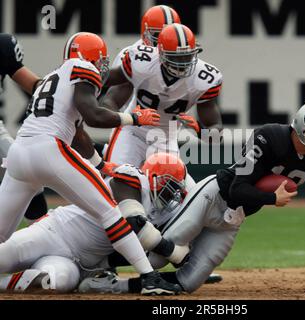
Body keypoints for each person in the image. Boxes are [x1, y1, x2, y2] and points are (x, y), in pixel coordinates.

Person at [79, 101, 305, 294]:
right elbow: (238, 189)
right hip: (213, 196)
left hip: (234, 219)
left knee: (188, 283)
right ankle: (95, 266)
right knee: (159, 256)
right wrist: (272, 199)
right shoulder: (268, 137)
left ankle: (115, 286)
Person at [0, 31, 180, 295]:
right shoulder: (83, 67)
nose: (102, 65)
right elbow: (93, 116)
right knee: (110, 212)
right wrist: (133, 119)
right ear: (90, 57)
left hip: (19, 153)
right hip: (49, 149)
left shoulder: (53, 76)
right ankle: (150, 278)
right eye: (101, 59)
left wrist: (100, 164)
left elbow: (79, 133)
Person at [0, 153, 191, 293]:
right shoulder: (132, 180)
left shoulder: (159, 214)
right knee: (2, 257)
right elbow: (133, 223)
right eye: (170, 188)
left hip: (78, 265)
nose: (171, 196)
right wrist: (174, 252)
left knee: (49, 283)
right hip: (54, 234)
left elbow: (139, 250)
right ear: (154, 178)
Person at [102, 23, 223, 186]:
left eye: (187, 56)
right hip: (132, 130)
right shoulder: (141, 61)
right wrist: (125, 118)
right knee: (114, 183)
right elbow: (107, 90)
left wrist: (200, 129)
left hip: (166, 137)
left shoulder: (205, 79)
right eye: (177, 57)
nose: (183, 62)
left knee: (171, 194)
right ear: (160, 53)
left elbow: (217, 134)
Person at [0, 33, 48, 223]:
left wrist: (57, 89)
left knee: (28, 174)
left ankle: (44, 235)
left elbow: (31, 83)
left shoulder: (3, 47)